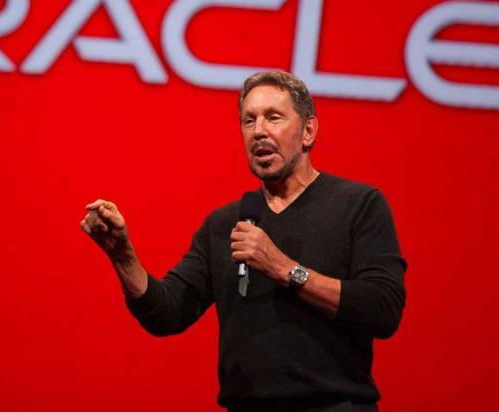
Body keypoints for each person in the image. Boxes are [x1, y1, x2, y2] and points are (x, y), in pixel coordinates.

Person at [80, 71, 407, 412]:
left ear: (308, 131)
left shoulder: (358, 205)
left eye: (273, 117)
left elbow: (383, 309)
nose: (259, 131)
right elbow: (167, 313)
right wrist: (122, 255)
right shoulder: (225, 224)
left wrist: (284, 268)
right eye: (249, 120)